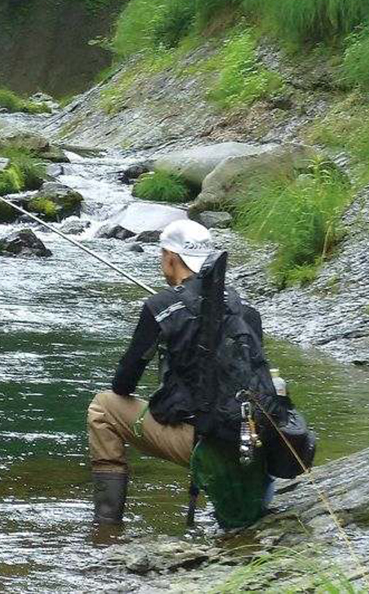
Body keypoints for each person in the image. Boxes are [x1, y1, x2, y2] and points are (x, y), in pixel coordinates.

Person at [85, 219, 264, 525]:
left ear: (170, 256)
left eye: (162, 257)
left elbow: (123, 384)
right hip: (252, 438)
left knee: (102, 408)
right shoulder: (243, 307)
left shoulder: (162, 306)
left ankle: (106, 527)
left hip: (202, 439)